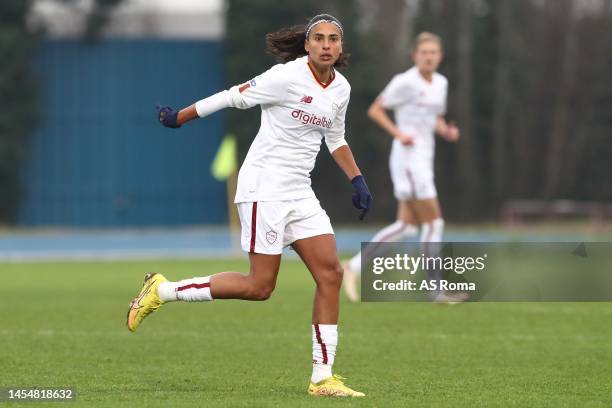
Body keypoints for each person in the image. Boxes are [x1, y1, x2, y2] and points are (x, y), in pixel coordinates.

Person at [125, 14, 371, 398]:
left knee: (331, 275)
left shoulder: (341, 89)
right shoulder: (284, 77)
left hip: (300, 193)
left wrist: (357, 179)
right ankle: (163, 289)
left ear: (340, 47)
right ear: (307, 45)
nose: (326, 45)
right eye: (319, 38)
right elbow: (231, 95)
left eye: (333, 39)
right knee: (259, 286)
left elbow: (335, 138)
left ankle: (323, 379)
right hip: (263, 189)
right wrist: (179, 118)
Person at [342, 32, 463, 303]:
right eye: (424, 52)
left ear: (440, 56)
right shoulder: (405, 82)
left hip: (425, 156)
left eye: (434, 52)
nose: (429, 57)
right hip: (409, 159)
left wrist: (446, 131)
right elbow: (375, 110)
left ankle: (353, 266)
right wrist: (399, 134)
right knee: (435, 221)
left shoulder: (440, 83)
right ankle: (436, 289)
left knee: (407, 226)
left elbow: (435, 118)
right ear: (415, 56)